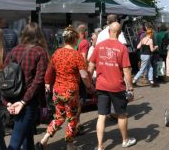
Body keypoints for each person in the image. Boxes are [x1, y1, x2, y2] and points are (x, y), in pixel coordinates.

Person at [40, 26, 93, 150]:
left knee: (58, 117)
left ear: (64, 39)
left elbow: (50, 71)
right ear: (75, 39)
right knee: (71, 118)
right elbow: (84, 75)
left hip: (57, 90)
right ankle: (70, 145)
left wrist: (47, 83)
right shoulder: (77, 55)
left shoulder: (56, 53)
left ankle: (44, 140)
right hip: (71, 92)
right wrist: (89, 86)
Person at [88, 22, 136, 150]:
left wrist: (89, 83)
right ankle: (125, 140)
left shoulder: (99, 46)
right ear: (120, 33)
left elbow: (91, 66)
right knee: (122, 114)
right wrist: (130, 87)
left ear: (109, 31)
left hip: (101, 85)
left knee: (101, 116)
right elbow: (126, 70)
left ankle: (99, 146)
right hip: (117, 86)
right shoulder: (122, 48)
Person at [5, 22, 48, 150]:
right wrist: (24, 101)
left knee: (27, 135)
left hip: (13, 96)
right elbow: (38, 81)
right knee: (16, 141)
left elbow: (4, 75)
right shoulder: (40, 52)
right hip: (28, 100)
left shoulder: (15, 50)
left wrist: (7, 101)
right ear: (39, 35)